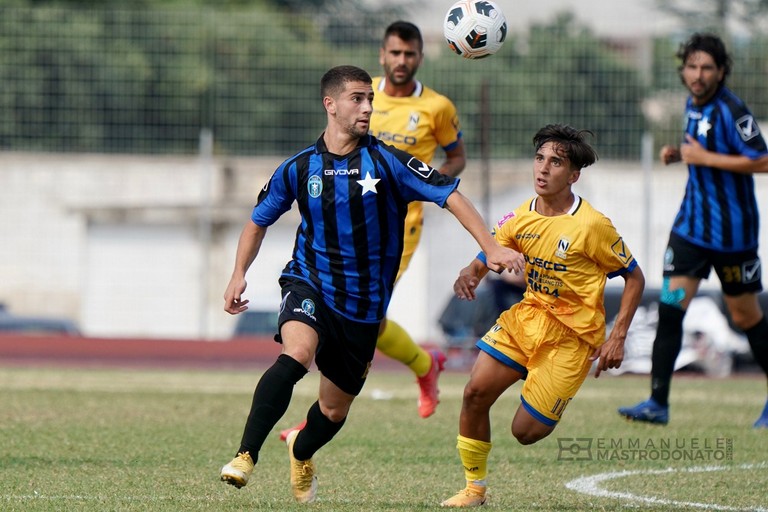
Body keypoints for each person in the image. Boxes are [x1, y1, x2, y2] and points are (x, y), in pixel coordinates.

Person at [218, 65, 523, 504]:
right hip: (310, 283)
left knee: (332, 411)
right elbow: (257, 222)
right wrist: (238, 273)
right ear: (331, 104)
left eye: (370, 99)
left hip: (363, 308)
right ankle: (245, 455)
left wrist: (490, 247)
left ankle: (300, 451)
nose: (367, 107)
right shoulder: (300, 167)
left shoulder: (388, 161)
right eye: (357, 98)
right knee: (297, 354)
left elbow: (451, 194)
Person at [441, 124, 645, 507]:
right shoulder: (521, 215)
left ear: (573, 175)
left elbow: (634, 277)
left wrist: (617, 335)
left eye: (555, 162)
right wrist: (472, 271)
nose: (543, 168)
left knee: (525, 431)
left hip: (572, 338)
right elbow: (494, 248)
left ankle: (545, 385)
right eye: (539, 158)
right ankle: (474, 489)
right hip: (528, 318)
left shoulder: (593, 226)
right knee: (474, 394)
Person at [618, 33, 768, 429]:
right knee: (670, 307)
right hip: (690, 231)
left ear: (720, 71)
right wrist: (678, 155)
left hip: (733, 236)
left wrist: (704, 157)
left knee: (746, 316)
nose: (697, 75)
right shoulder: (691, 104)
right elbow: (698, 152)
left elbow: (763, 160)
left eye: (706, 68)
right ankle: (657, 402)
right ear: (683, 69)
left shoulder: (734, 111)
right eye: (692, 67)